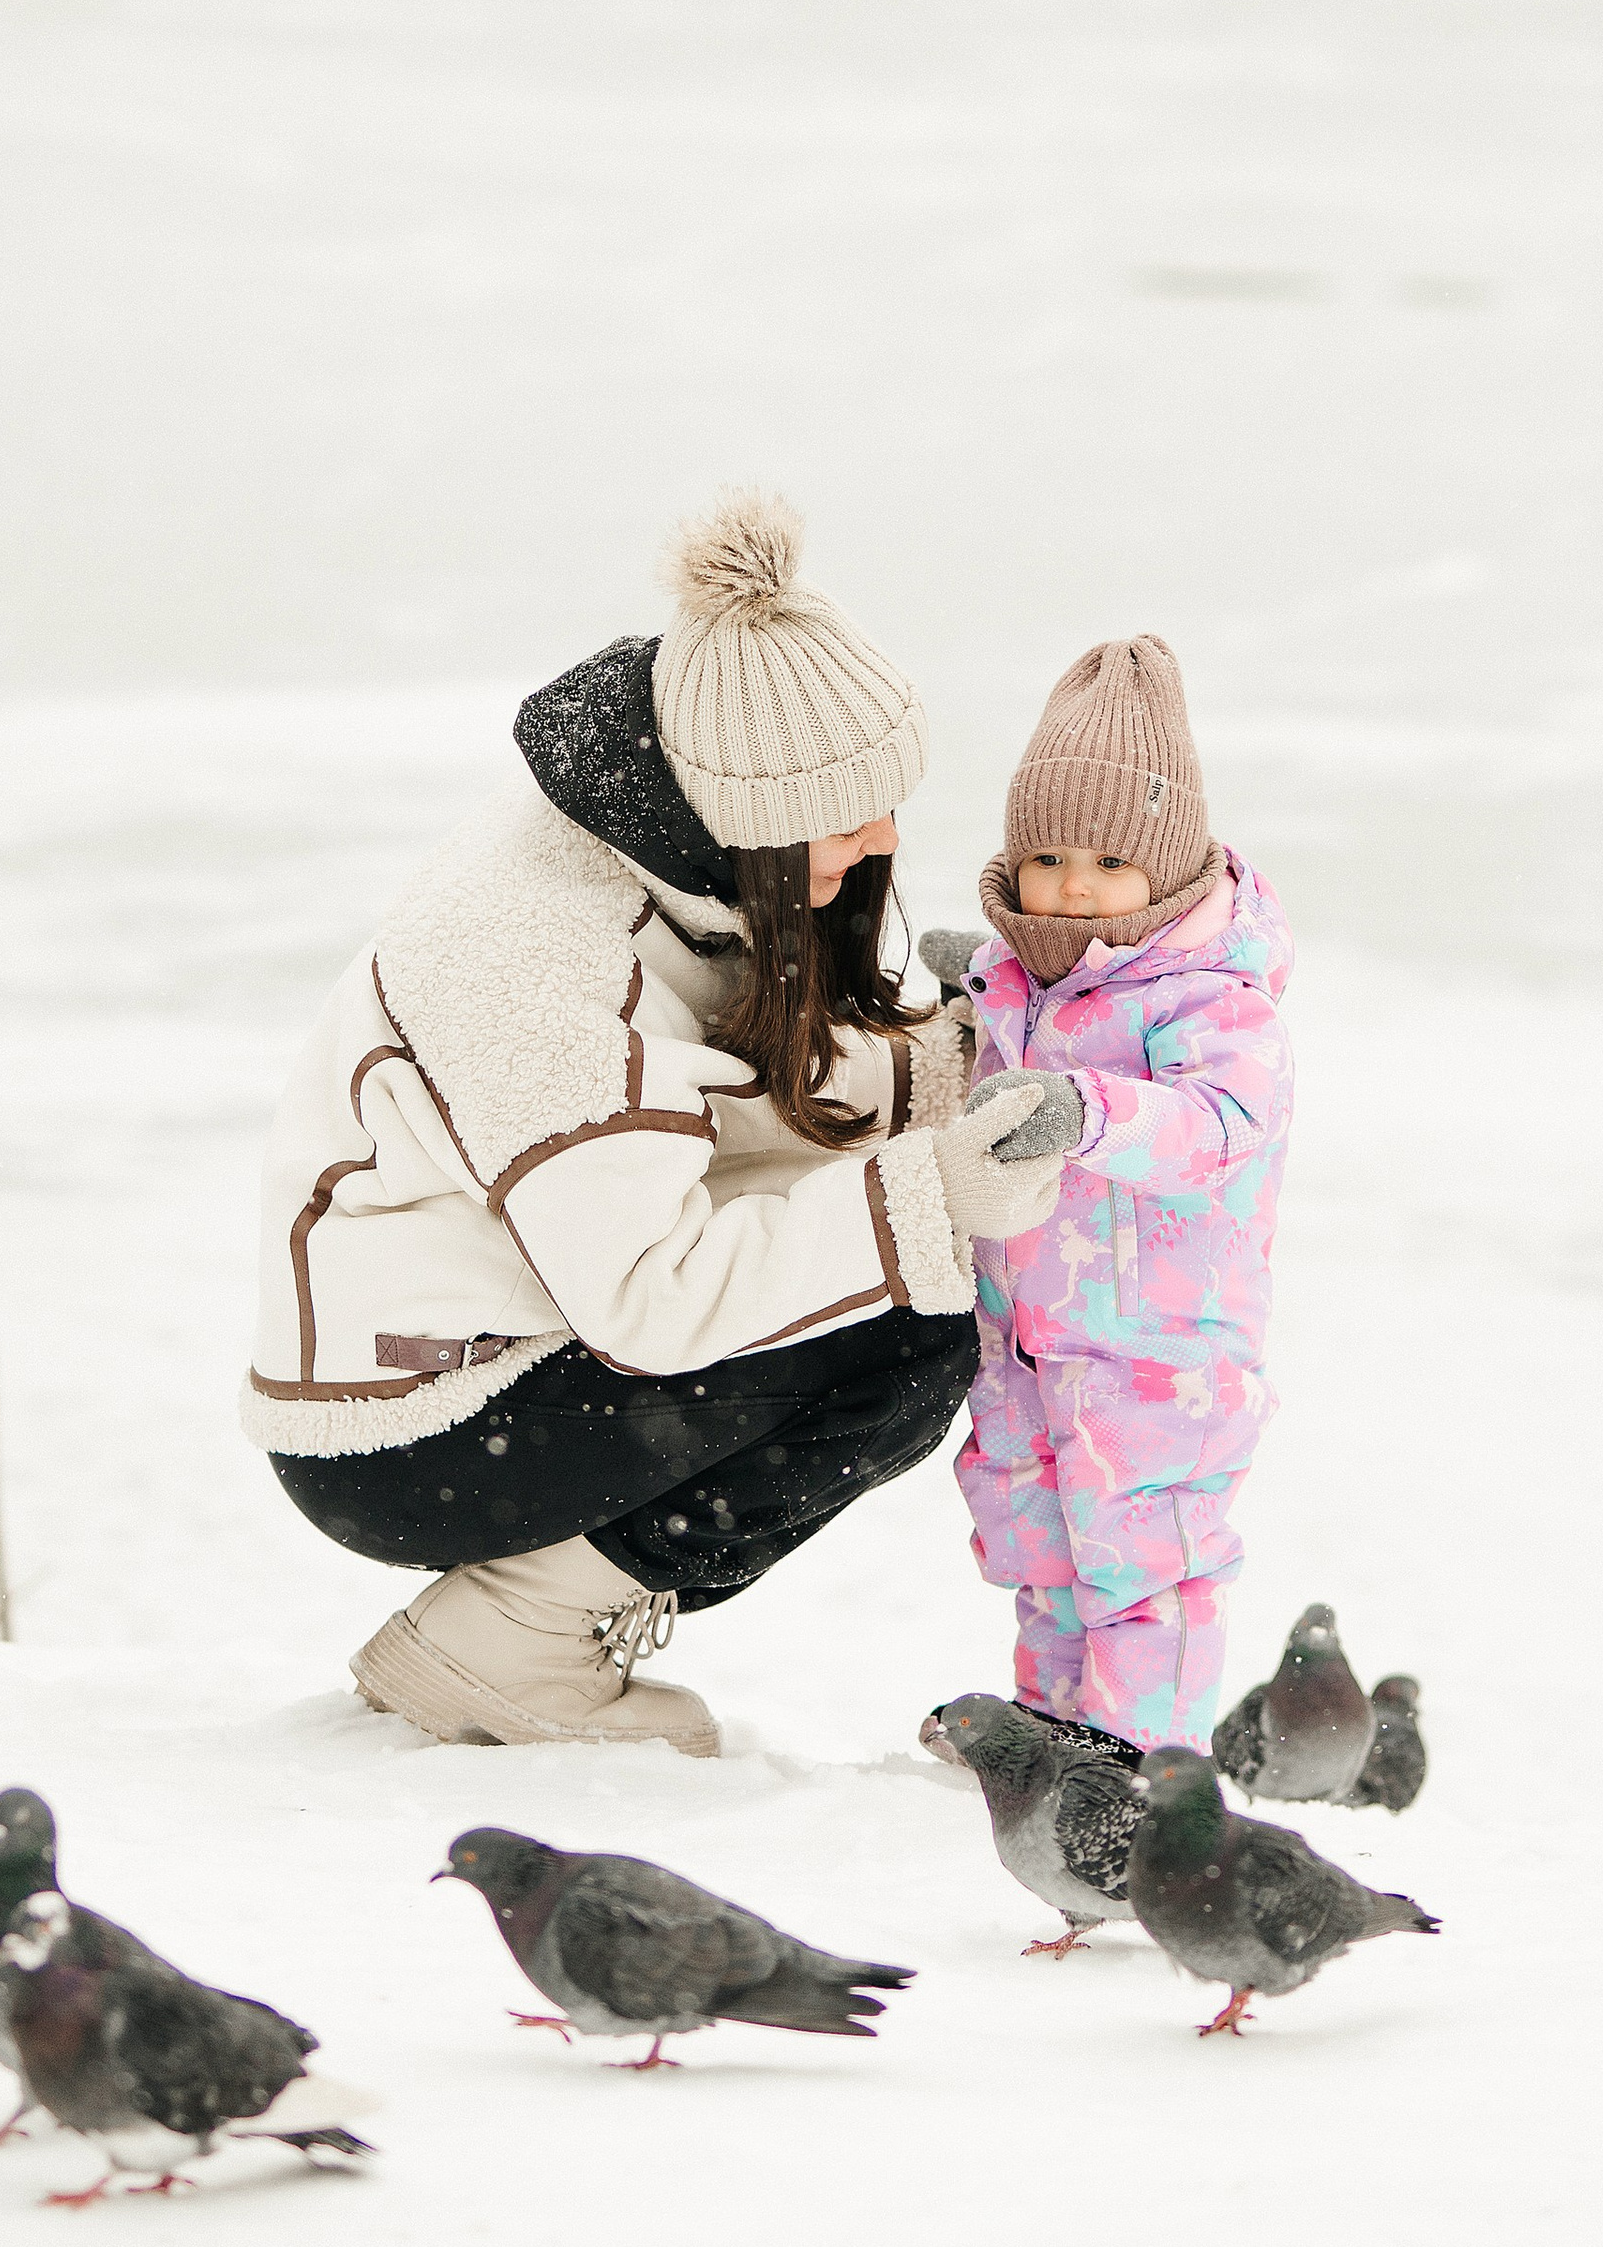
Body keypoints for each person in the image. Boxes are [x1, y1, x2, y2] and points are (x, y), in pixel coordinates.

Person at [244, 491, 1073, 1751]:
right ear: (750, 821)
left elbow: (699, 1096)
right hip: (406, 1426)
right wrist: (933, 1195)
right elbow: (648, 1293)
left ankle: (516, 1623)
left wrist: (944, 1069)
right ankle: (510, 1645)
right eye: (848, 819)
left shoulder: (658, 840)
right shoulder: (534, 959)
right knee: (899, 1336)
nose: (886, 840)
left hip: (513, 1314)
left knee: (864, 1275)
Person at [922, 635, 1294, 1756]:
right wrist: (976, 997)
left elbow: (1224, 1125)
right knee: (1040, 1554)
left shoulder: (1210, 998)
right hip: (1026, 1340)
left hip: (1157, 1354)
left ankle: (1141, 1765)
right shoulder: (1020, 982)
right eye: (1045, 857)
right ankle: (1051, 1740)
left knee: (1145, 1568)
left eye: (1109, 863)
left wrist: (1089, 1110)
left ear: (1169, 876)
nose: (1072, 885)